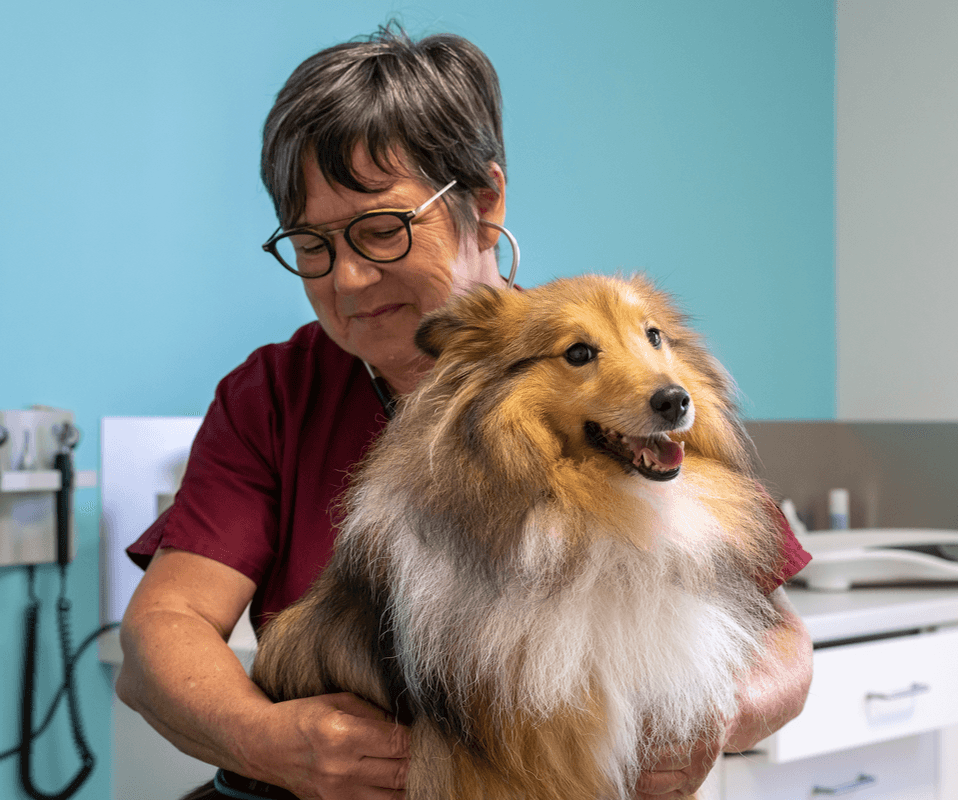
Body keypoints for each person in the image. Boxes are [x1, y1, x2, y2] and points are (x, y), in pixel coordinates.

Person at [116, 25, 813, 800]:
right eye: (311, 246)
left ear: (484, 202)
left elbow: (782, 639)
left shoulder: (612, 375)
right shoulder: (274, 393)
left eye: (381, 230)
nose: (346, 279)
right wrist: (272, 743)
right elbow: (160, 634)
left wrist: (716, 714)